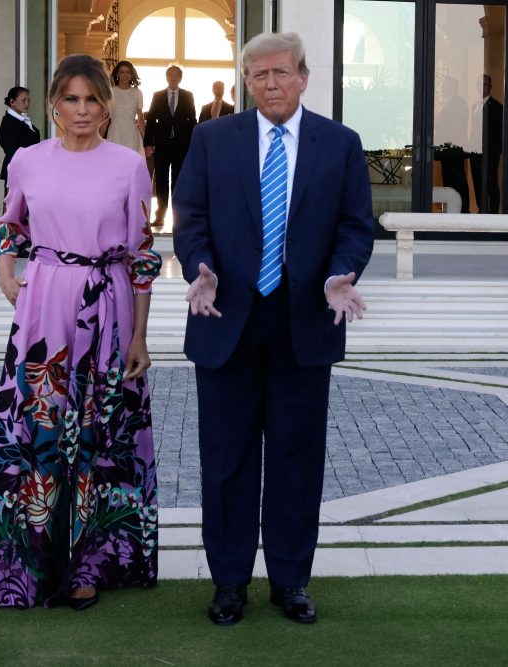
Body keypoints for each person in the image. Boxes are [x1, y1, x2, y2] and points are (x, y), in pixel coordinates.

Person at [173, 32, 374, 626]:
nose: (270, 84)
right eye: (258, 75)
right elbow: (190, 218)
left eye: (281, 73)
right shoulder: (212, 139)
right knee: (227, 459)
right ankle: (229, 582)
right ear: (246, 82)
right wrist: (200, 266)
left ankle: (290, 581)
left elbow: (356, 226)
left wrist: (341, 274)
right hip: (225, 318)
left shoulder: (339, 144)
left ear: (303, 77)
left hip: (304, 320)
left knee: (296, 457)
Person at [0, 54, 162, 611]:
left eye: (92, 100)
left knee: (100, 436)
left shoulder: (128, 165)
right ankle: (28, 563)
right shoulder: (26, 160)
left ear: (106, 106)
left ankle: (90, 566)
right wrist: (6, 275)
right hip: (44, 307)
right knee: (38, 430)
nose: (81, 110)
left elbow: (143, 255)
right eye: (70, 99)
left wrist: (139, 336)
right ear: (52, 104)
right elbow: (8, 224)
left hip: (109, 307)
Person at [144, 65, 197, 230]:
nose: (173, 79)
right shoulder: (158, 96)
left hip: (181, 145)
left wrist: (193, 143)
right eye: (171, 75)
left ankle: (177, 217)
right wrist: (148, 143)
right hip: (162, 144)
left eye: (176, 76)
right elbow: (151, 119)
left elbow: (192, 120)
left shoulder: (188, 95)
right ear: (166, 77)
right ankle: (160, 217)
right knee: (161, 181)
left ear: (180, 78)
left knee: (177, 181)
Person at [435, 76, 470, 212]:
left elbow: (455, 125)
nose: (443, 89)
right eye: (443, 86)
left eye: (446, 86)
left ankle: (462, 210)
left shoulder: (459, 103)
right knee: (450, 181)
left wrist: (439, 121)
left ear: (454, 88)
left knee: (457, 181)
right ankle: (452, 210)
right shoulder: (448, 103)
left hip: (453, 151)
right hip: (448, 151)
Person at [469, 74, 503, 213]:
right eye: (479, 84)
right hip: (475, 152)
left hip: (489, 154)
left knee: (491, 184)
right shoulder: (475, 106)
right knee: (477, 183)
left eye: (484, 84)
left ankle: (494, 212)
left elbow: (499, 133)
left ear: (490, 86)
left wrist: (495, 153)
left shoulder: (497, 107)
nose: (481, 86)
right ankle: (481, 209)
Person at [0, 86, 41, 197]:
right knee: (15, 208)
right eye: (23, 100)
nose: (27, 103)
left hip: (28, 172)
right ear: (12, 102)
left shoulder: (21, 120)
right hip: (17, 173)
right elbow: (11, 149)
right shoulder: (10, 122)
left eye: (28, 100)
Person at [106, 60, 146, 157]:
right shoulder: (110, 92)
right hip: (115, 132)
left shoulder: (137, 93)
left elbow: (140, 118)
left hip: (131, 133)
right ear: (117, 74)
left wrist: (147, 140)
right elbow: (105, 116)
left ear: (131, 74)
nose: (125, 75)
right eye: (122, 72)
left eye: (128, 72)